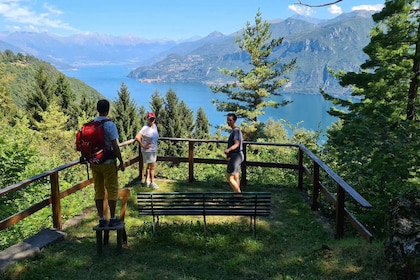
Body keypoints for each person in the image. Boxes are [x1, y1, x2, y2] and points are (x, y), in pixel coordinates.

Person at [91, 99, 125, 228]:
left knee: (98, 190)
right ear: (108, 109)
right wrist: (121, 162)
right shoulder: (109, 125)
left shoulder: (92, 124)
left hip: (95, 162)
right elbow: (115, 146)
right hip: (108, 162)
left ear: (97, 109)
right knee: (112, 189)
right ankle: (113, 218)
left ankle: (101, 218)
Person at [135, 112, 159, 189]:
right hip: (148, 151)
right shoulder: (145, 128)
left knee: (149, 166)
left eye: (153, 118)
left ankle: (146, 181)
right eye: (150, 119)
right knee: (152, 167)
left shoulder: (154, 126)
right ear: (148, 119)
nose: (152, 120)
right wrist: (143, 145)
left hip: (153, 149)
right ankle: (152, 183)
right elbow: (137, 137)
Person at [224, 113, 244, 193]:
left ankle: (238, 196)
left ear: (234, 120)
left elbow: (237, 144)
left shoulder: (236, 131)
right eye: (227, 120)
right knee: (236, 176)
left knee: (229, 177)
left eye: (230, 120)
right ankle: (236, 196)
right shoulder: (236, 130)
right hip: (238, 156)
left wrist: (228, 150)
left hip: (236, 156)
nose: (228, 122)